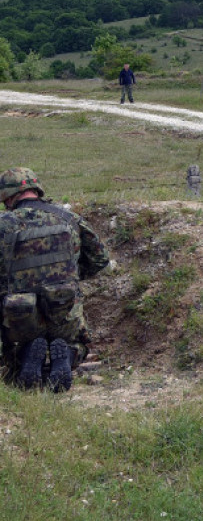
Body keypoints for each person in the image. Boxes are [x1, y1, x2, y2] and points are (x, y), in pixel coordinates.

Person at [0, 168, 110, 392]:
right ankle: (67, 355)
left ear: (8, 196)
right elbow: (100, 259)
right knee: (77, 343)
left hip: (18, 312)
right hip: (64, 306)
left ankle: (27, 352)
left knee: (12, 354)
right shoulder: (68, 218)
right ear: (36, 190)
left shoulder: (3, 223)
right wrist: (70, 276)